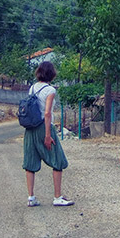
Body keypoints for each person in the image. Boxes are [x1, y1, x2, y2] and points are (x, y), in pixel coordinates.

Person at [23, 61, 74, 207]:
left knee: (30, 162)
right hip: (43, 128)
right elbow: (47, 113)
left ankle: (31, 197)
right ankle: (57, 197)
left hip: (29, 129)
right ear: (52, 74)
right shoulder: (50, 90)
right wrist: (47, 135)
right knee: (57, 160)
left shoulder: (32, 88)